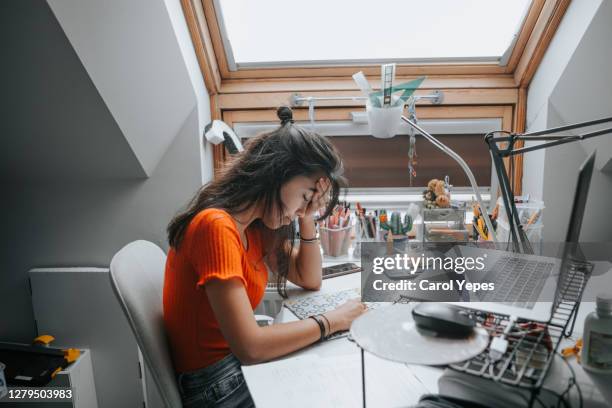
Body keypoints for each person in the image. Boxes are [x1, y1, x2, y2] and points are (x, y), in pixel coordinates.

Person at [163, 106, 367, 408]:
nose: (304, 208)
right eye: (306, 196)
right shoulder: (216, 227)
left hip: (232, 369)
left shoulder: (256, 227)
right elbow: (251, 347)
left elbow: (310, 279)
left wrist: (305, 214)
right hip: (216, 386)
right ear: (277, 174)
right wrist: (333, 321)